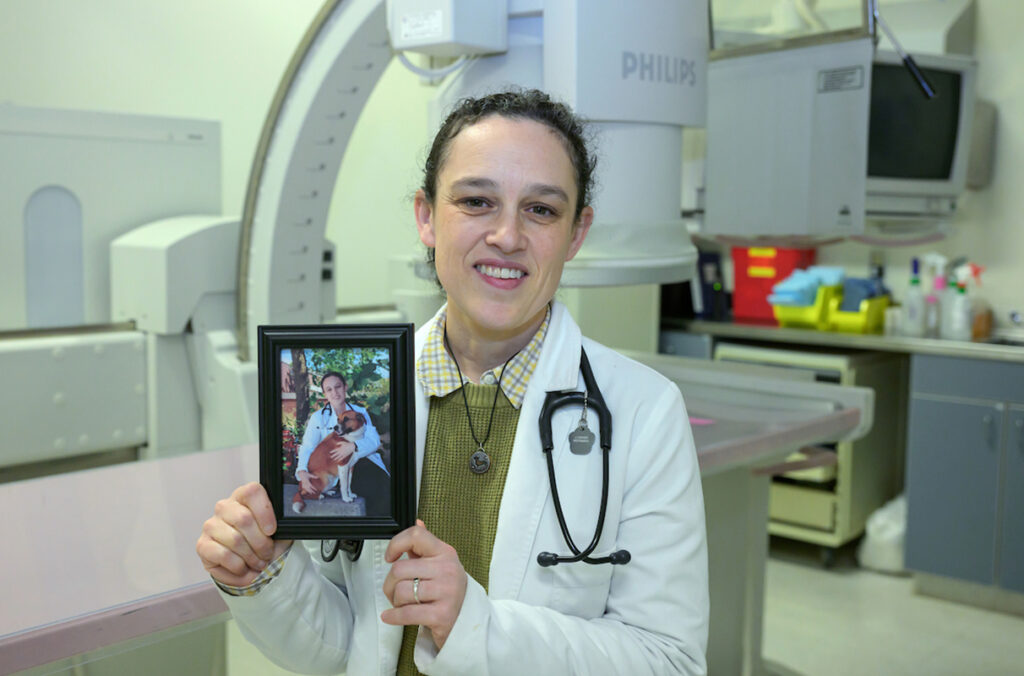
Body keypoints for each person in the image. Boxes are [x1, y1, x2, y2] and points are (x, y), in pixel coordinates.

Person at [196, 89, 708, 675]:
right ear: (426, 217)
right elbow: (348, 648)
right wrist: (264, 578)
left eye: (541, 209)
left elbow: (670, 662)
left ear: (576, 233)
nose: (507, 236)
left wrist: (476, 625)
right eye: (476, 201)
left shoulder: (643, 411)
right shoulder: (380, 400)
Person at [294, 371, 388, 514]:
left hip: (361, 463)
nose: (334, 393)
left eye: (338, 387)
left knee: (381, 485)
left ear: (345, 387)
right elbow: (307, 447)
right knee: (371, 489)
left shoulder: (359, 412)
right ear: (325, 394)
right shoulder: (318, 418)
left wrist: (353, 446)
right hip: (332, 470)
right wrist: (302, 472)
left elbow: (374, 440)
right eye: (329, 389)